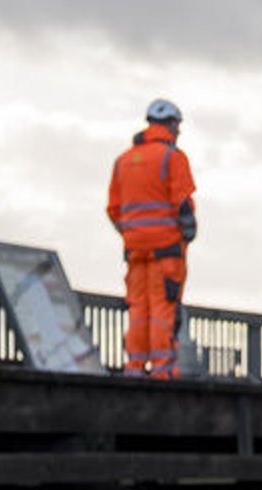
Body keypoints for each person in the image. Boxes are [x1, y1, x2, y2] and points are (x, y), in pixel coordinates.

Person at [106, 99, 196, 379]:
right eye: (178, 125)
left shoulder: (123, 161)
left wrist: (132, 233)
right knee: (162, 309)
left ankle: (134, 366)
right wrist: (188, 232)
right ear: (171, 124)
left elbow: (113, 209)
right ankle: (162, 371)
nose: (179, 131)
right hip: (166, 249)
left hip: (135, 249)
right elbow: (183, 204)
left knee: (138, 308)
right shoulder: (173, 157)